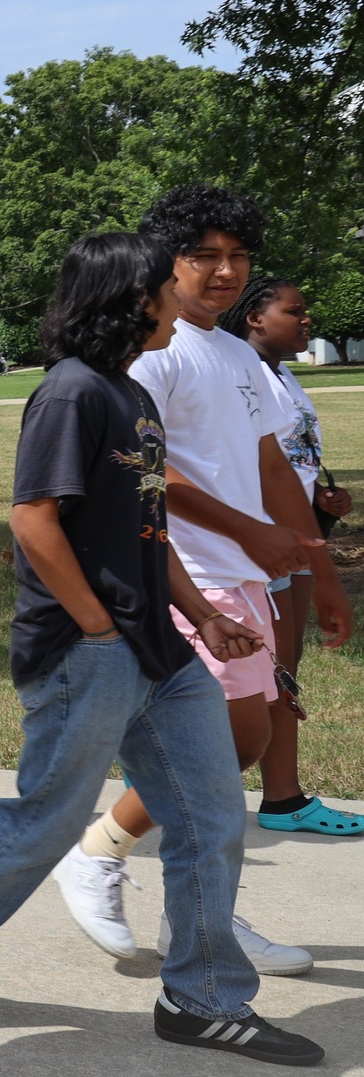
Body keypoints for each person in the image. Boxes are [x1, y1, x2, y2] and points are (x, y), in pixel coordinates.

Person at [0, 233, 323, 1067]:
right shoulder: (72, 394)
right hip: (86, 650)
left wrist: (201, 614)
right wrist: (97, 624)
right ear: (132, 298)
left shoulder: (129, 395)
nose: (183, 300)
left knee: (210, 813)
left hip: (161, 650)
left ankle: (202, 998)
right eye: (164, 289)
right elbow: (33, 521)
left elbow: (149, 522)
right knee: (45, 817)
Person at [52, 187, 351, 976]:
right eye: (204, 256)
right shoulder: (155, 347)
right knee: (215, 750)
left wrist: (319, 569)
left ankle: (191, 900)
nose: (224, 272)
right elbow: (147, 466)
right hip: (183, 572)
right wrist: (245, 529)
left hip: (242, 576)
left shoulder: (235, 353)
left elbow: (268, 463)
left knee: (243, 740)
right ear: (168, 261)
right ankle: (105, 859)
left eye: (237, 256)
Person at [220, 275, 363, 837]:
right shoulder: (237, 372)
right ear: (255, 317)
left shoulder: (282, 375)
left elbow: (290, 463)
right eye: (295, 311)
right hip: (259, 544)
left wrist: (321, 504)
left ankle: (283, 798)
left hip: (297, 538)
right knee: (258, 675)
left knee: (283, 671)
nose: (308, 320)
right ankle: (166, 784)